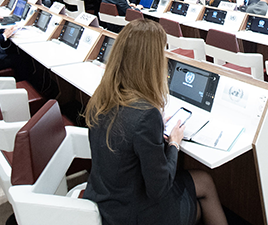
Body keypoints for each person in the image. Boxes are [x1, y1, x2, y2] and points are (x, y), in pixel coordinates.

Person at [83, 19, 226, 225]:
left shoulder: (102, 96)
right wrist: (174, 143)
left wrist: (156, 131)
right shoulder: (146, 115)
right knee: (205, 181)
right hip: (134, 215)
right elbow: (159, 188)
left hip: (105, 200)